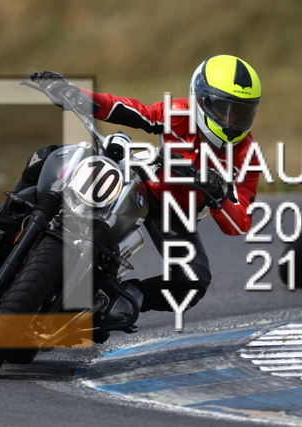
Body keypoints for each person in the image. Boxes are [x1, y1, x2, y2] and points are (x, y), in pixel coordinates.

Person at [18, 54, 262, 312]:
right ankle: (10, 217)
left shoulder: (249, 156)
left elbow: (240, 223)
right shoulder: (178, 113)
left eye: (241, 113)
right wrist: (75, 94)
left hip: (176, 213)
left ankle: (114, 301)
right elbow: (130, 109)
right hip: (142, 182)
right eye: (223, 109)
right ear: (201, 99)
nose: (231, 121)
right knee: (48, 156)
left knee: (193, 282)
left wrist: (218, 196)